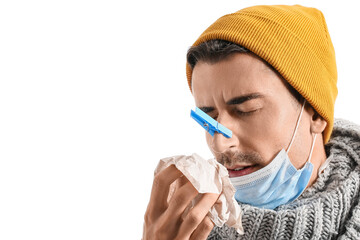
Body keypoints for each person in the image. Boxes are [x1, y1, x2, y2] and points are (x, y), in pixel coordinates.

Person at [143, 4, 360, 239]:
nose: (220, 144)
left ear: (316, 114)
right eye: (210, 118)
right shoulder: (184, 226)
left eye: (247, 110)